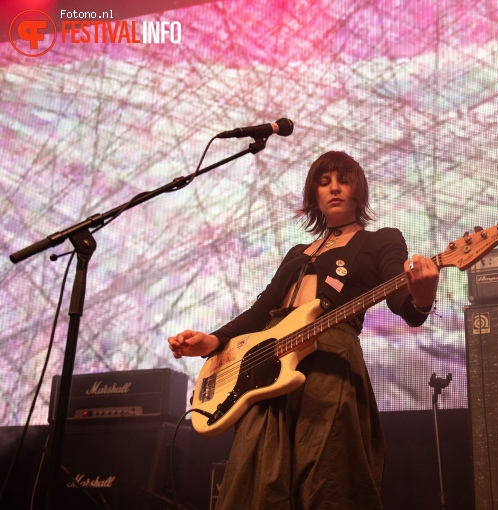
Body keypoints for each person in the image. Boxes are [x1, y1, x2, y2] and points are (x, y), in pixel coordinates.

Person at [168, 151, 440, 509]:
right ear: (314, 196)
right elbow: (260, 311)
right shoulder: (298, 252)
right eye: (324, 183)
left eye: (343, 180)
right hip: (267, 367)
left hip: (329, 362)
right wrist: (212, 341)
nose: (334, 189)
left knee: (325, 476)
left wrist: (423, 293)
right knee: (254, 480)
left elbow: (405, 304)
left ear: (359, 189)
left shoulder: (380, 240)